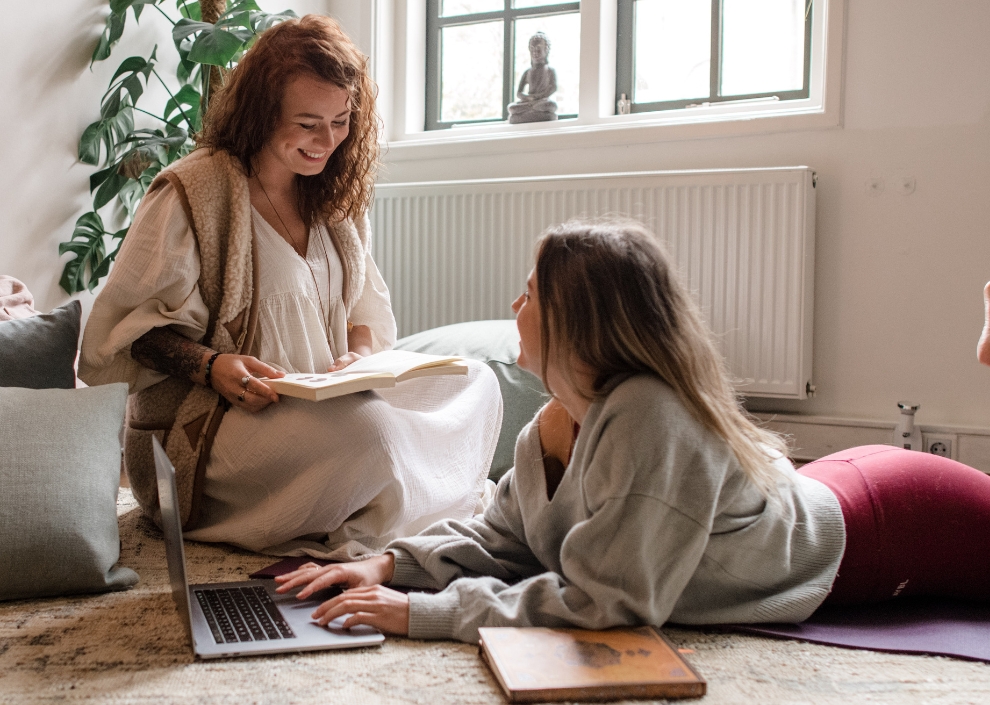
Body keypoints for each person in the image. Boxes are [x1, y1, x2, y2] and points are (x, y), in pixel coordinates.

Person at [275, 218, 990, 643]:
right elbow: (503, 539)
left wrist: (424, 614)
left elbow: (608, 602)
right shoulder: (551, 427)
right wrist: (389, 565)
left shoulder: (650, 414)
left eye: (529, 291)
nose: (512, 304)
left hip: (889, 523)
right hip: (824, 486)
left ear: (579, 322)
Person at [79, 15, 502, 560]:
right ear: (261, 113)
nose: (327, 141)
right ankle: (386, 504)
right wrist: (212, 367)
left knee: (477, 383)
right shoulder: (193, 192)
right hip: (217, 426)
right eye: (307, 123)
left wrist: (361, 356)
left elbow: (366, 315)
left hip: (326, 406)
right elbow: (124, 335)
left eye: (342, 120)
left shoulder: (332, 199)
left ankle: (372, 498)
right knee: (371, 435)